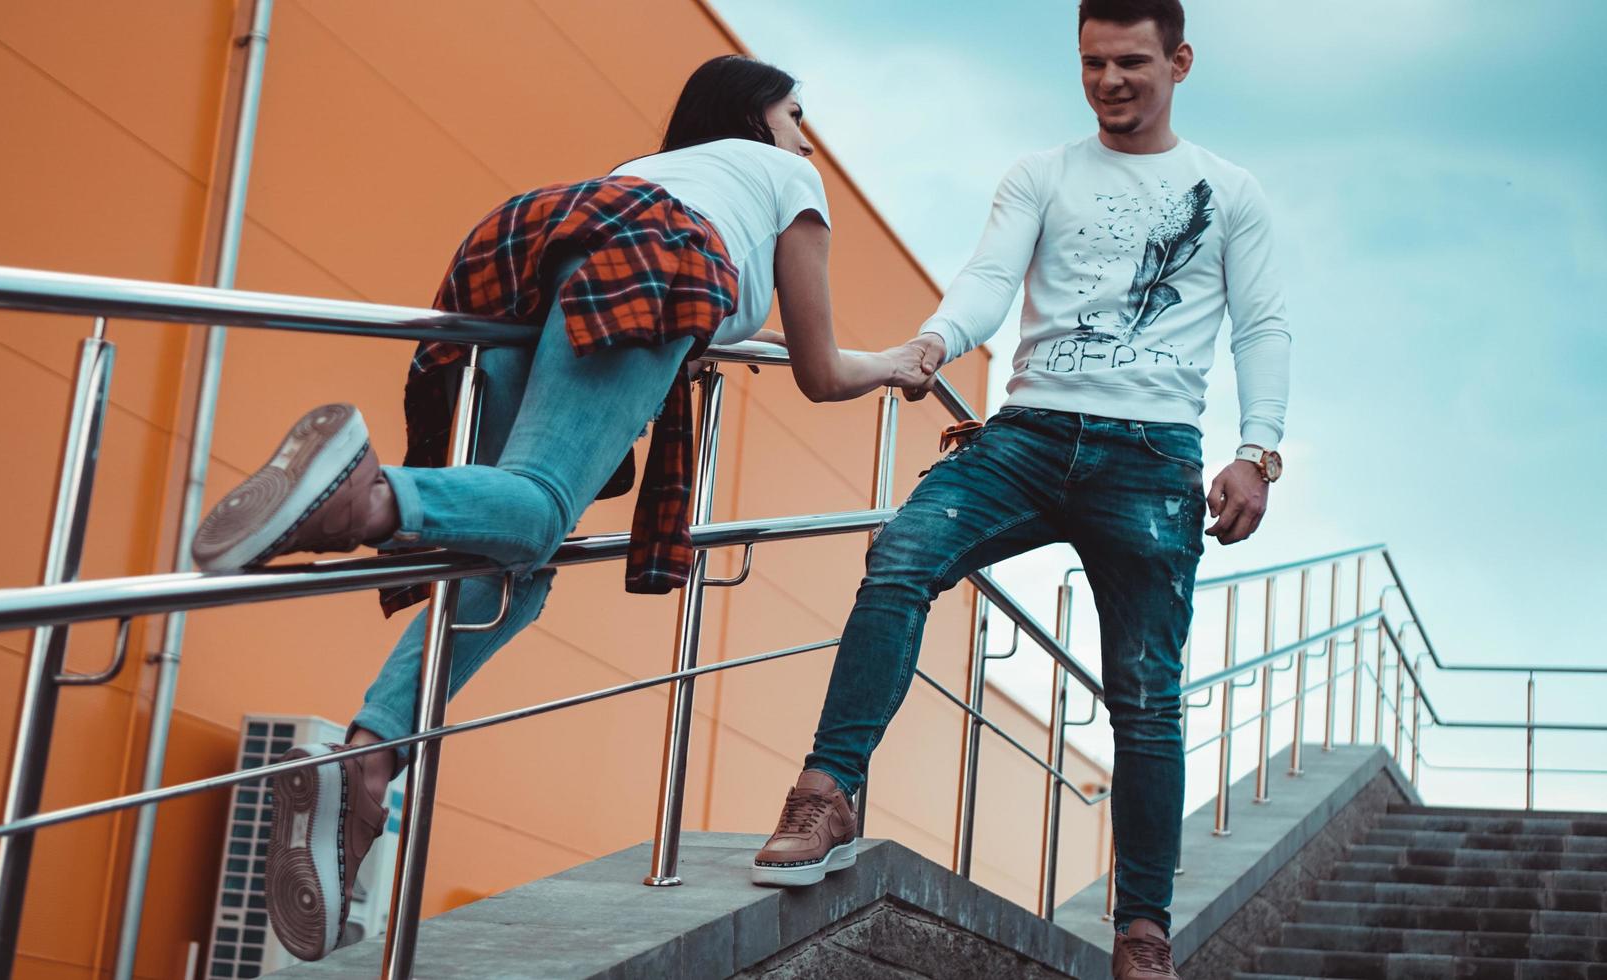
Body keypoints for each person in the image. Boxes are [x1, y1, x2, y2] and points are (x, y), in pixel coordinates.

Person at [189, 55, 934, 962]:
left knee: (513, 565)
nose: (805, 132)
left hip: (524, 235)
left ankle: (369, 757)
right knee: (540, 509)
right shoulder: (786, 178)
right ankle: (365, 501)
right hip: (645, 255)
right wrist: (894, 362)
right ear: (754, 117)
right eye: (795, 111)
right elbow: (820, 371)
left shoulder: (648, 168)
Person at [749, 3, 1291, 978]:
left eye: (1130, 62)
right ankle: (826, 791)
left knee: (1143, 696)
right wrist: (931, 344)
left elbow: (1260, 328)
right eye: (1092, 62)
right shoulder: (1039, 172)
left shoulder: (1230, 191)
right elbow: (987, 280)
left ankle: (1139, 931)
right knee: (900, 555)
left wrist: (1257, 450)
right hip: (1028, 436)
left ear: (1179, 60)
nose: (1109, 80)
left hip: (1152, 457)